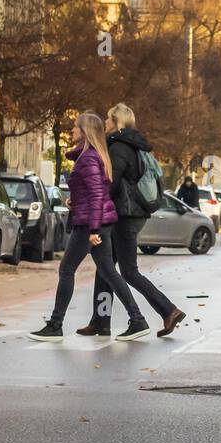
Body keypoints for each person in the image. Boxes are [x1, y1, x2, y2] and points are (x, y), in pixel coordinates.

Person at [29, 113, 150, 342]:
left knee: (66, 270)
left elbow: (96, 196)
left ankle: (55, 325)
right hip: (94, 221)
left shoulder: (88, 159)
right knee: (108, 272)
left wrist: (94, 231)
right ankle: (137, 320)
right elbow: (94, 193)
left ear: (85, 132)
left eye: (75, 127)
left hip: (89, 225)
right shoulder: (90, 156)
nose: (72, 130)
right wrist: (75, 201)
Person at [78, 103, 187, 338]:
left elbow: (111, 182)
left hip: (124, 215)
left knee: (128, 271)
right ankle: (101, 320)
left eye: (108, 119)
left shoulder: (119, 147)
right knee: (105, 268)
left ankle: (168, 310)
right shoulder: (135, 145)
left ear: (117, 122)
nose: (105, 123)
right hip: (131, 213)